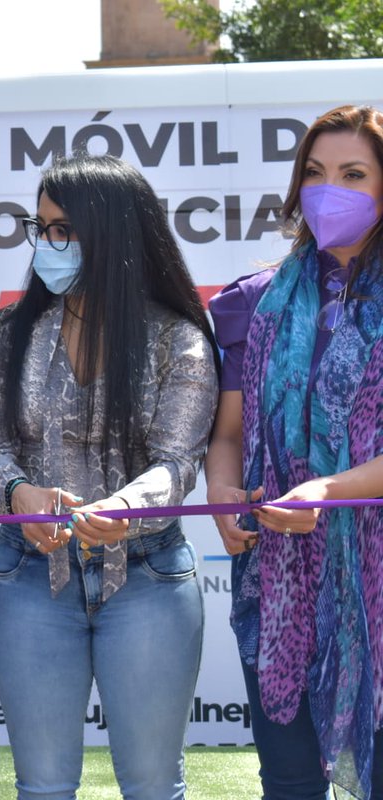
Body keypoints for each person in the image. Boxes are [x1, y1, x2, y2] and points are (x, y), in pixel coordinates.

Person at [0, 154, 218, 799]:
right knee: (43, 787)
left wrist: (125, 508)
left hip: (150, 579)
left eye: (64, 230)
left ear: (114, 234)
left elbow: (177, 462)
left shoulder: (178, 337)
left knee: (153, 785)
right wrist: (22, 496)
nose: (48, 245)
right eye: (42, 227)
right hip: (27, 579)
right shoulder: (6, 336)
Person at [207, 105, 383, 800]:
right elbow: (226, 436)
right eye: (314, 172)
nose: (327, 189)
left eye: (352, 174)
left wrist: (327, 490)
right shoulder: (252, 304)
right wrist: (223, 492)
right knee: (287, 780)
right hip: (280, 584)